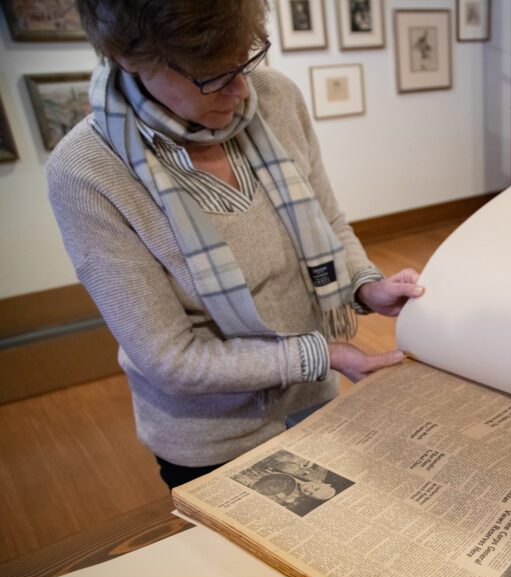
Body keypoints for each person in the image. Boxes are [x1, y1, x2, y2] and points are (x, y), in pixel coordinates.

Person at [48, 1, 421, 489]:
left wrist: (365, 286)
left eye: (245, 60)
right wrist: (321, 354)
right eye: (210, 76)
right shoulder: (85, 172)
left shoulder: (277, 99)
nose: (241, 89)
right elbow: (171, 358)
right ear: (131, 59)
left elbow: (326, 221)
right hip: (213, 438)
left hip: (312, 399)